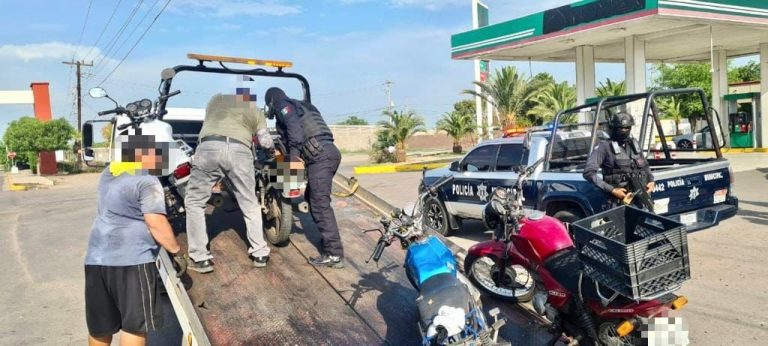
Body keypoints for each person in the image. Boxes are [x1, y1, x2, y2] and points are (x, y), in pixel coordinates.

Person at [84, 134, 188, 346]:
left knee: (100, 327)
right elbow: (156, 223)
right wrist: (176, 251)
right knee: (135, 326)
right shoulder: (147, 181)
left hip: (96, 259)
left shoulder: (108, 174)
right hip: (131, 262)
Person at [185, 92, 274, 272]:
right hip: (240, 151)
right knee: (249, 203)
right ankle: (260, 253)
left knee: (195, 202)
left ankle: (200, 258)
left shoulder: (216, 99)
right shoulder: (256, 111)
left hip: (209, 148)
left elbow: (209, 120)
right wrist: (271, 152)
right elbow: (265, 141)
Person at [264, 87, 344, 268]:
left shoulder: (282, 104)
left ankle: (334, 254)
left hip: (319, 156)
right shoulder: (305, 105)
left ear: (271, 101)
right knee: (311, 198)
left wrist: (293, 157)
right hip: (329, 152)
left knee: (319, 204)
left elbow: (294, 130)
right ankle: (330, 243)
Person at [583, 112, 655, 210]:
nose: (624, 130)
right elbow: (589, 172)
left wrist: (651, 180)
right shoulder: (604, 147)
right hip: (617, 203)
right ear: (613, 128)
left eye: (627, 128)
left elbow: (644, 165)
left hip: (640, 199)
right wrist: (612, 190)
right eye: (621, 128)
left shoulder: (634, 144)